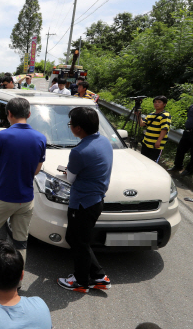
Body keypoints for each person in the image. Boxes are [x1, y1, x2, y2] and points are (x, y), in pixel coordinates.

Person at [0, 98, 46, 292]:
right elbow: (37, 170)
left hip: (3, 196)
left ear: (9, 115)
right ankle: (17, 282)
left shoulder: (2, 137)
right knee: (20, 241)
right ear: (29, 114)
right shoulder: (40, 138)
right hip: (26, 199)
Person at [58, 107, 113, 293]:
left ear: (78, 128)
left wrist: (68, 171)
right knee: (81, 240)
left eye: (70, 124)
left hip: (82, 202)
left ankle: (80, 281)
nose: (70, 127)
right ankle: (99, 276)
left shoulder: (79, 151)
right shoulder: (104, 141)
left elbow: (71, 179)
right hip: (97, 200)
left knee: (76, 241)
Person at [135, 96, 171, 162]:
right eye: (155, 102)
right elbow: (141, 124)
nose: (156, 104)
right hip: (146, 142)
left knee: (152, 163)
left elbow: (164, 129)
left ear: (164, 104)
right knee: (143, 161)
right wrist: (138, 115)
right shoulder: (151, 114)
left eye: (159, 102)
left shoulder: (165, 115)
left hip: (156, 145)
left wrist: (159, 141)